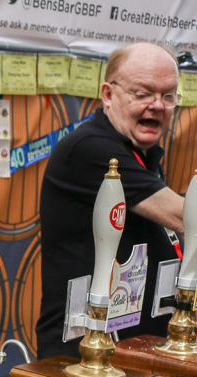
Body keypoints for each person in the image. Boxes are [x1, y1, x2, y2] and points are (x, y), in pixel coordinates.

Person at [36, 42, 184, 359]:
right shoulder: (92, 149)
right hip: (85, 355)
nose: (157, 105)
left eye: (168, 95)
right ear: (108, 94)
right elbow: (183, 216)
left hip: (133, 345)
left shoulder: (140, 151)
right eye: (142, 93)